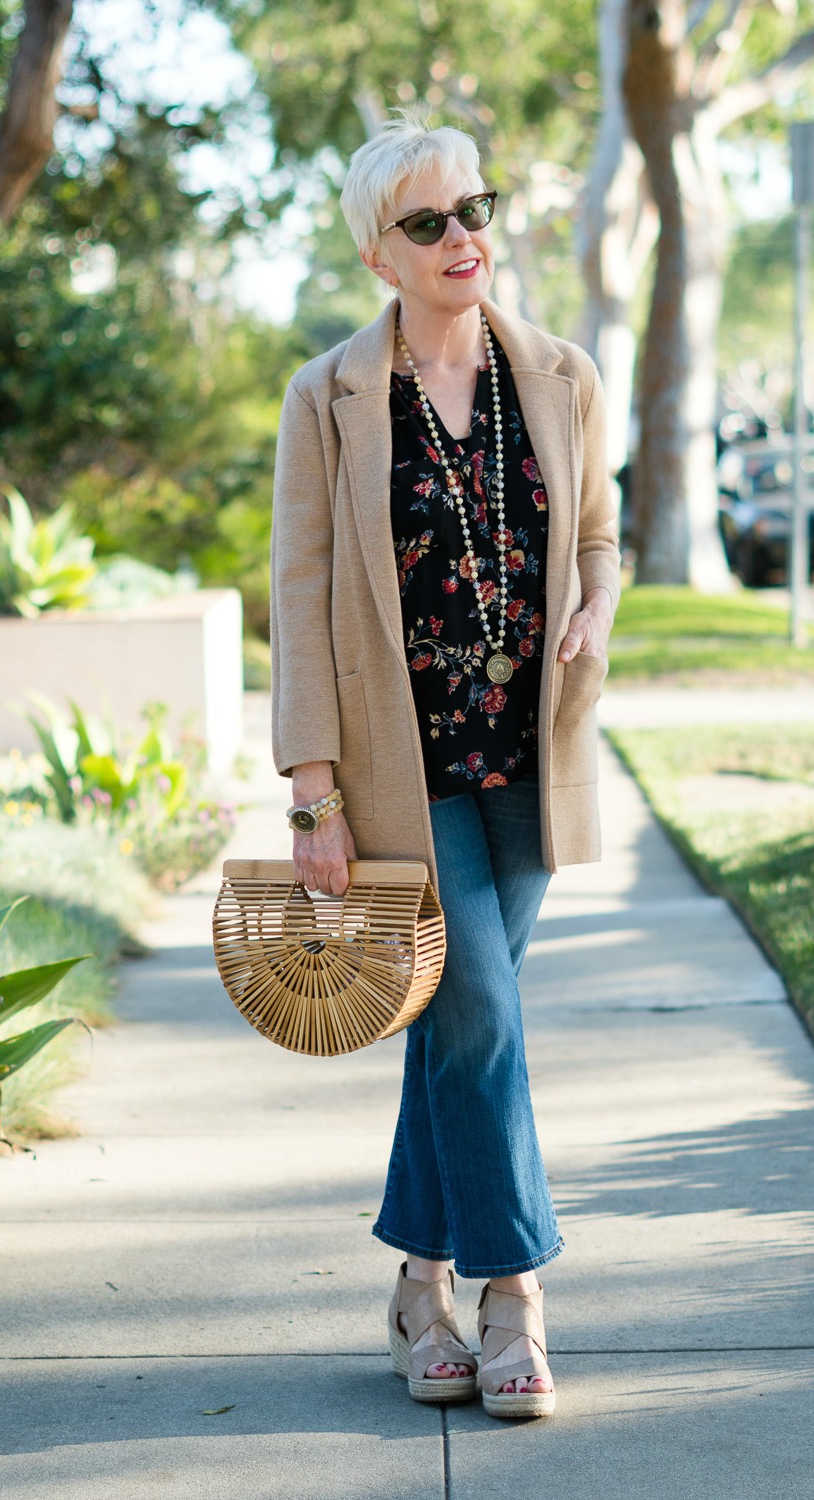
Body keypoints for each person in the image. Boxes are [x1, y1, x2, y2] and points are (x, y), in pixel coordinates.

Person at [270, 116, 619, 1420]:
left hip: (528, 756)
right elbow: (297, 596)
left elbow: (595, 536)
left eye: (474, 206)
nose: (463, 234)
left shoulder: (565, 375)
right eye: (429, 221)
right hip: (398, 771)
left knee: (459, 1023)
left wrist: (596, 609)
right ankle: (512, 1290)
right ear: (380, 253)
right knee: (475, 1006)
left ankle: (417, 1284)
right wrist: (311, 787)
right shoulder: (330, 396)